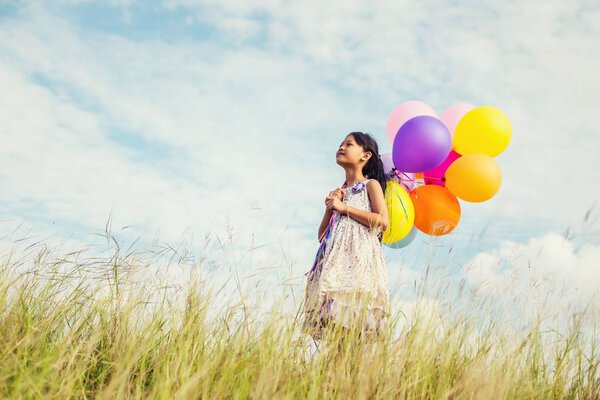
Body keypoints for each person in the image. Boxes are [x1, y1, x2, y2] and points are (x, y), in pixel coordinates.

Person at [301, 131, 392, 348]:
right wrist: (331, 206)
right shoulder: (341, 192)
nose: (341, 147)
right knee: (336, 330)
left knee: (354, 325)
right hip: (336, 266)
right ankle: (334, 376)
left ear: (365, 155)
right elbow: (322, 235)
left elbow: (382, 221)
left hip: (358, 265)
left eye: (348, 144)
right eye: (341, 143)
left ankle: (351, 372)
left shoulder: (370, 185)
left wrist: (344, 208)